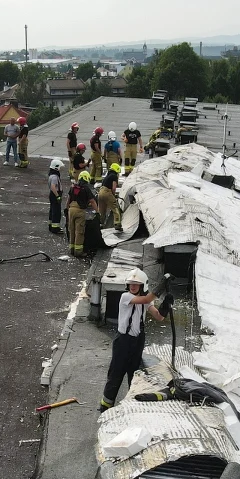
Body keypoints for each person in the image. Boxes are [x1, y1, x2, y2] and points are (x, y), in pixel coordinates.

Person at [100, 269, 164, 412]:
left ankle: (132, 407)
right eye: (130, 284)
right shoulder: (125, 297)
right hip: (123, 341)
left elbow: (159, 316)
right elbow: (147, 300)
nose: (133, 286)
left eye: (136, 284)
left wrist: (166, 306)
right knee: (115, 374)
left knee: (135, 375)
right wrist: (161, 287)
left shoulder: (145, 299)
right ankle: (105, 406)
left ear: (142, 286)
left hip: (137, 342)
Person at [65, 171, 98, 257]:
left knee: (71, 230)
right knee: (79, 232)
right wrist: (97, 212)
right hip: (80, 211)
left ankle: (71, 249)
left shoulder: (73, 187)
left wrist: (66, 208)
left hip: (71, 210)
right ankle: (78, 252)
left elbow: (68, 199)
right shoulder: (86, 188)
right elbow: (92, 201)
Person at [98, 162, 122, 232]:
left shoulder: (107, 176)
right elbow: (113, 188)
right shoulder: (114, 176)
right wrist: (113, 196)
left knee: (102, 210)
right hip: (107, 192)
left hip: (100, 192)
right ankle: (117, 224)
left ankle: (100, 224)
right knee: (115, 208)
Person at [48, 158, 64, 234]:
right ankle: (55, 228)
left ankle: (51, 225)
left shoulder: (51, 175)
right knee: (56, 211)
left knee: (52, 210)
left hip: (52, 195)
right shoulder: (54, 177)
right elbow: (53, 187)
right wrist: (57, 196)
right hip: (55, 195)